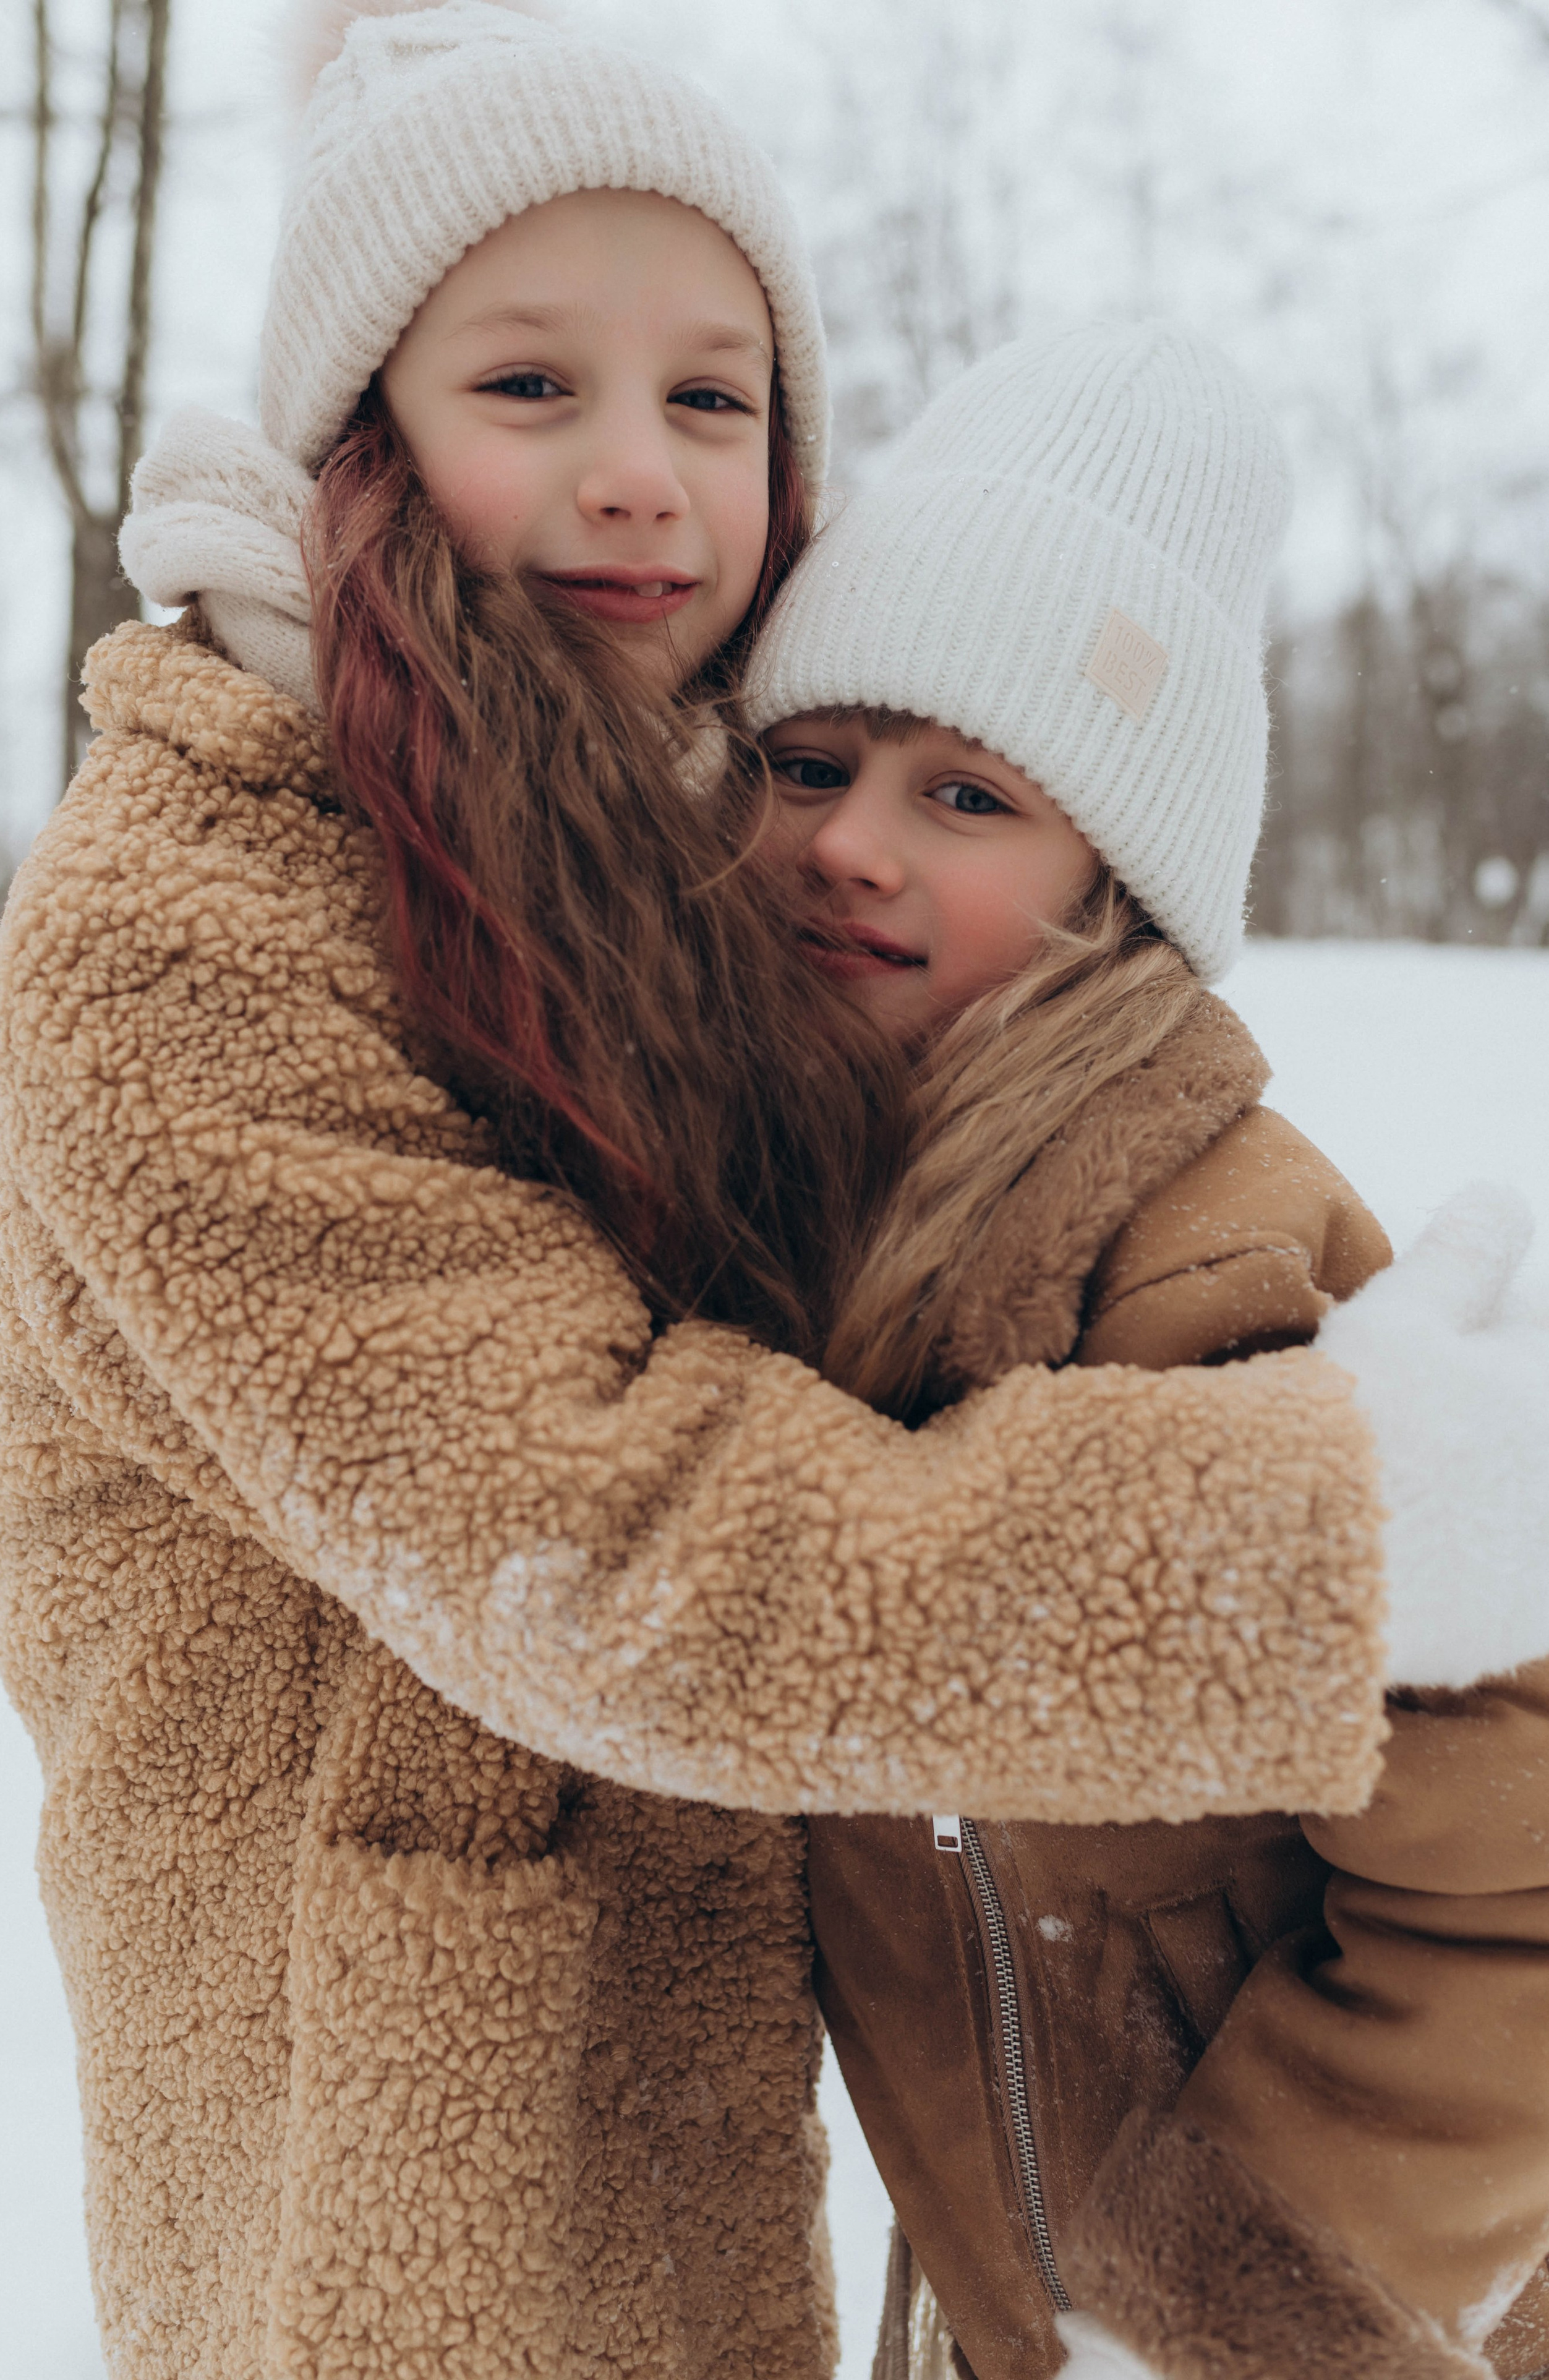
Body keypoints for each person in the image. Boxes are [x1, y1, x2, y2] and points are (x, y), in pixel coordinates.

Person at [0, 7, 1548, 2377]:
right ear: (357, 434)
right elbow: (610, 1543)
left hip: (687, 2191)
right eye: (533, 387)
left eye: (712, 400)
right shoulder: (197, 920)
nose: (639, 475)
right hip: (384, 2217)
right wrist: (1349, 1525)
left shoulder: (632, 898)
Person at [746, 321, 1549, 2380]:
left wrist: (1228, 2318)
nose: (855, 839)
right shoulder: (817, 1227)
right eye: (811, 762)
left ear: (1115, 885)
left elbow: (1516, 1874)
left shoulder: (1209, 1257)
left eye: (968, 794)